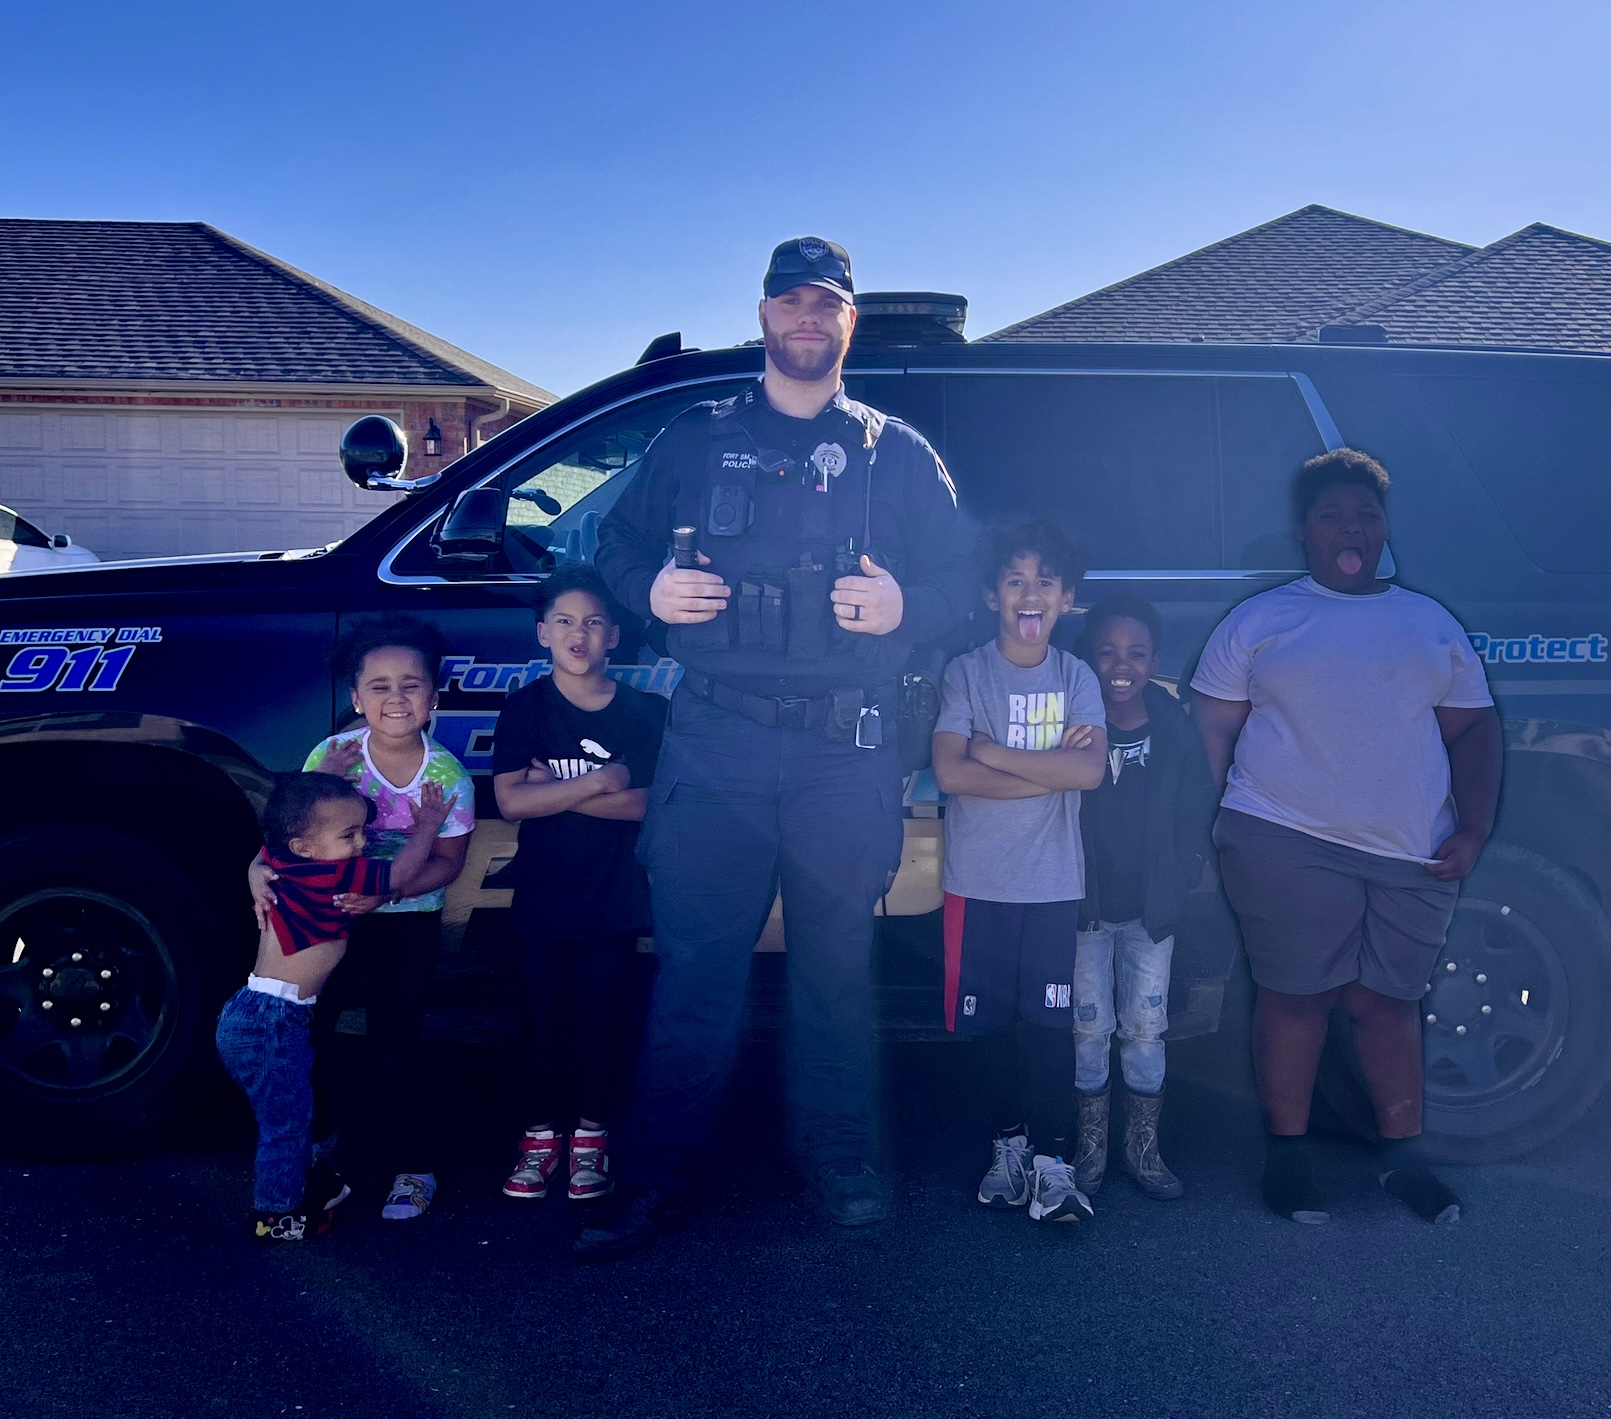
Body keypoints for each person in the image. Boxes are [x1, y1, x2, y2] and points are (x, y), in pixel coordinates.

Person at [582, 236, 975, 1259]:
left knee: (836, 975)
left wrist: (907, 605)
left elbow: (967, 587)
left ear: (849, 321)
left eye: (827, 304)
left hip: (846, 752)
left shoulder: (897, 451)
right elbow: (610, 547)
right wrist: (648, 594)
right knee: (697, 976)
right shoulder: (694, 438)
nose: (808, 319)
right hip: (715, 741)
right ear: (763, 315)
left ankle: (840, 1158)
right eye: (791, 302)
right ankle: (657, 1176)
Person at [1192, 449, 1500, 1225]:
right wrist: (1246, 819)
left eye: (1364, 513)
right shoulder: (1260, 621)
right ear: (1304, 530)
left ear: (1383, 526)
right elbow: (1214, 734)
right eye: (1332, 513)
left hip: (1410, 852)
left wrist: (1473, 828)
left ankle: (1402, 1159)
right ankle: (1288, 1156)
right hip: (1281, 838)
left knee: (1385, 1002)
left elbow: (1472, 732)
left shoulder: (1426, 622)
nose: (1350, 527)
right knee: (1296, 998)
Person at [250, 614, 475, 1222]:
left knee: (395, 1042)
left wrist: (386, 897)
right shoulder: (332, 755)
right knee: (310, 1032)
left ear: (433, 695)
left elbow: (449, 864)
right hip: (330, 921)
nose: (395, 698)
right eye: (378, 686)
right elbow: (290, 826)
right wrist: (254, 868)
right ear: (356, 697)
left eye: (411, 685)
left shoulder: (447, 775)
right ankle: (321, 1144)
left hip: (404, 923)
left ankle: (413, 1165)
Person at [932, 520, 1107, 1223]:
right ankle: (1005, 1148)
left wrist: (994, 754)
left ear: (1066, 597)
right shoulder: (966, 672)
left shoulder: (1076, 676)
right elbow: (949, 771)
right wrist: (1049, 772)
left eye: (1043, 582)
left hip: (1051, 882)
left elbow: (1089, 770)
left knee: (1047, 1027)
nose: (1028, 594)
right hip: (977, 882)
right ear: (990, 593)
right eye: (1013, 580)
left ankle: (1053, 1165)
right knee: (988, 1028)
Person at [491, 566, 668, 1204]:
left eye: (593, 622)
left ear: (613, 636)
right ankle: (539, 1140)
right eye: (564, 621)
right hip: (543, 896)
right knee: (541, 1019)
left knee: (601, 1020)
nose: (578, 634)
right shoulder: (526, 710)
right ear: (542, 634)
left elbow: (650, 804)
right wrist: (599, 781)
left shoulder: (645, 714)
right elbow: (510, 802)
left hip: (614, 900)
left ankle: (591, 1139)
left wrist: (553, 792)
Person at [219, 772, 448, 1240]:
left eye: (361, 831)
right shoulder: (331, 873)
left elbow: (265, 851)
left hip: (261, 1016)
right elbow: (400, 874)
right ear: (304, 846)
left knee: (290, 1115)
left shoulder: (284, 860)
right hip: (272, 1023)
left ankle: (307, 1186)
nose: (362, 843)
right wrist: (426, 828)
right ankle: (276, 1216)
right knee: (285, 1123)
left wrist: (252, 869)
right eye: (350, 835)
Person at [1070, 594, 1218, 1201]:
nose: (1120, 665)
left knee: (1145, 1028)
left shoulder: (1177, 734)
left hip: (1151, 912)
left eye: (1135, 652)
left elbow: (1194, 816)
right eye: (1106, 652)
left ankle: (1143, 1150)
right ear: (1088, 659)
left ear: (1156, 658)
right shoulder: (1072, 727)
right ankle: (1089, 1151)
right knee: (1087, 1029)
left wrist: (1179, 880)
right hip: (1085, 906)